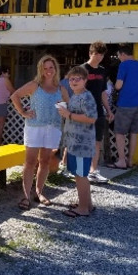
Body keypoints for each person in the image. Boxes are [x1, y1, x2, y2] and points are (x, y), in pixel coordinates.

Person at [10, 54, 62, 210]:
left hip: (53, 128)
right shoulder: (35, 85)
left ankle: (39, 192)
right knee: (30, 161)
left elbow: (68, 106)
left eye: (51, 67)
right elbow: (15, 96)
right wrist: (24, 113)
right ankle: (25, 196)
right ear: (41, 69)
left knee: (45, 161)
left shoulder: (61, 88)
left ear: (55, 69)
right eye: (45, 68)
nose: (48, 71)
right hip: (34, 127)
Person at [57, 66, 98, 217]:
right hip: (74, 143)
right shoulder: (75, 95)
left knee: (81, 175)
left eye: (77, 79)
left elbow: (91, 118)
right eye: (71, 79)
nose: (73, 81)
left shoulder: (86, 97)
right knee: (79, 174)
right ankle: (87, 204)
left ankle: (83, 209)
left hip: (82, 144)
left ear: (85, 80)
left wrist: (69, 114)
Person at [109, 44, 138, 169]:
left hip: (126, 103)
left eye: (119, 56)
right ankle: (130, 161)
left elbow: (118, 85)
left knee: (119, 132)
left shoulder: (124, 65)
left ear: (123, 54)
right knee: (134, 133)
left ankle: (121, 161)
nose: (119, 59)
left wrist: (116, 86)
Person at [82, 41, 114, 184]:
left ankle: (93, 171)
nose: (98, 57)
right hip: (84, 112)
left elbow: (103, 93)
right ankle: (79, 171)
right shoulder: (82, 70)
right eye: (96, 54)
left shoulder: (102, 71)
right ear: (90, 53)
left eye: (101, 54)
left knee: (97, 142)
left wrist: (108, 110)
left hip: (99, 111)